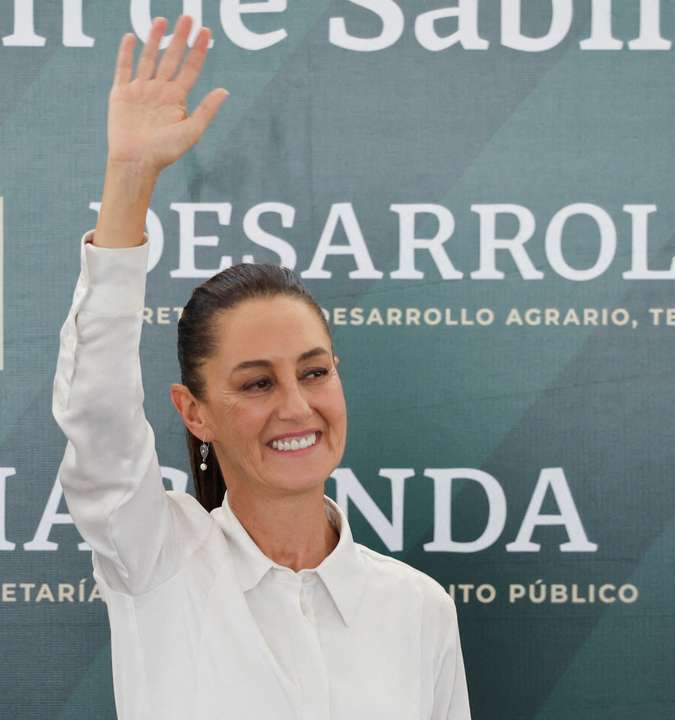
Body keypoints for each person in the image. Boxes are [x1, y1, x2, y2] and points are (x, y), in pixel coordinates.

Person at [54, 16, 470, 719]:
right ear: (195, 411)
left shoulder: (418, 609)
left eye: (314, 372)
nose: (297, 407)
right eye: (256, 383)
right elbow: (97, 413)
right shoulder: (156, 559)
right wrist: (128, 179)